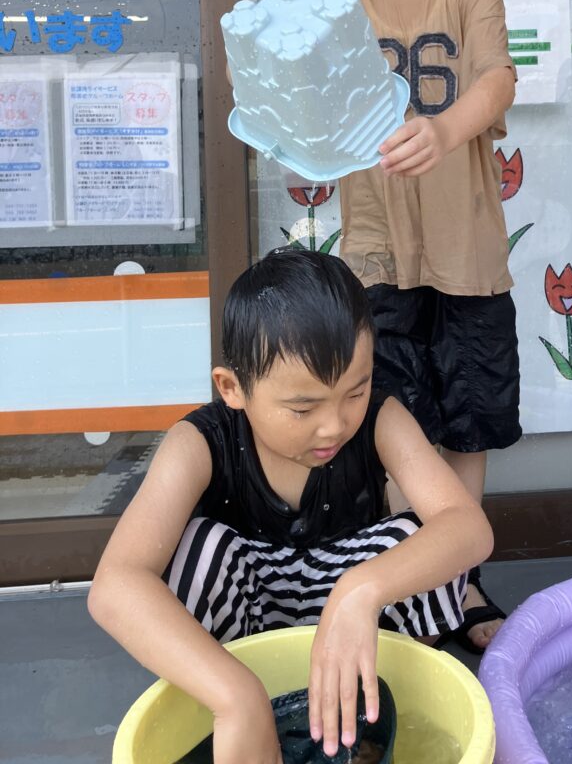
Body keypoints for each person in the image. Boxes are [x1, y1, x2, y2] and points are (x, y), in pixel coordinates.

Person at [89, 249, 492, 763]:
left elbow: (468, 527)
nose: (335, 425)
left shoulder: (381, 418)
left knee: (419, 539)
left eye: (355, 392)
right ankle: (235, 693)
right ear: (233, 388)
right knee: (196, 550)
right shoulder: (201, 442)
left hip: (362, 631)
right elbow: (115, 585)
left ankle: (382, 698)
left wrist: (359, 592)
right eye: (303, 407)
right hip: (246, 636)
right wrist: (237, 696)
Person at [336, 0, 520, 654]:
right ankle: (402, 582)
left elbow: (497, 81)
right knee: (393, 419)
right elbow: (315, 111)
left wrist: (444, 130)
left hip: (468, 252)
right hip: (377, 253)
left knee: (468, 420)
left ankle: (461, 581)